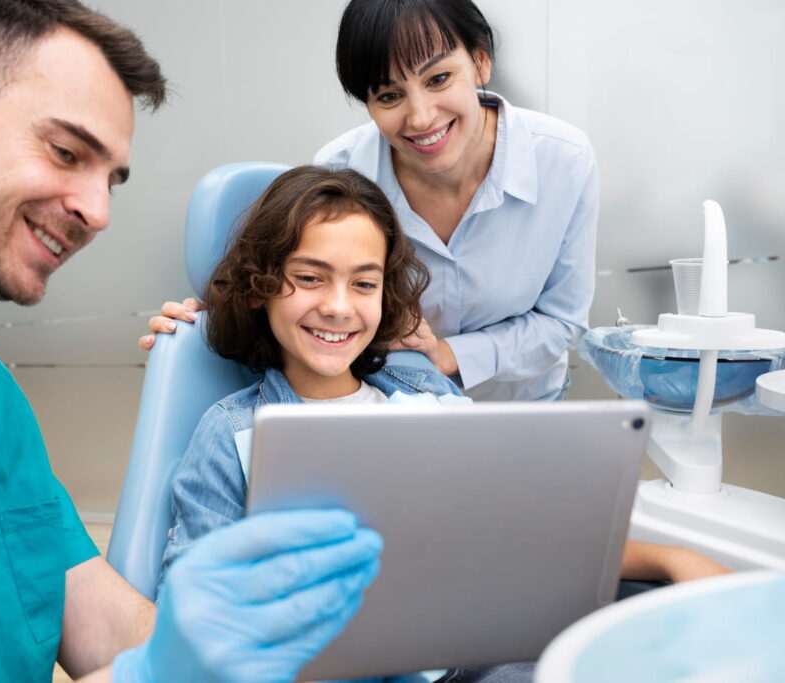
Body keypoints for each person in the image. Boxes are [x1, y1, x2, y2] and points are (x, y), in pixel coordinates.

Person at [0, 2, 382, 682]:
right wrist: (156, 672)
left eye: (111, 180)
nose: (98, 213)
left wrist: (232, 641)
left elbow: (104, 623)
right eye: (67, 152)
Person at [157, 166, 730, 683]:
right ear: (262, 285)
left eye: (363, 283)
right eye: (310, 278)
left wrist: (668, 558)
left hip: (486, 655)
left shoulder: (427, 393)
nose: (338, 306)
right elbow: (192, 614)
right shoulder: (231, 434)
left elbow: (525, 532)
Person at [140, 0, 594, 403]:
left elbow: (562, 322)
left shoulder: (563, 161)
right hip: (387, 410)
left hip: (519, 408)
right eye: (389, 95)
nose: (420, 117)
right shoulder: (342, 173)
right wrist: (205, 322)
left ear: (479, 62)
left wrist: (444, 353)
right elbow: (294, 293)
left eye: (439, 78)